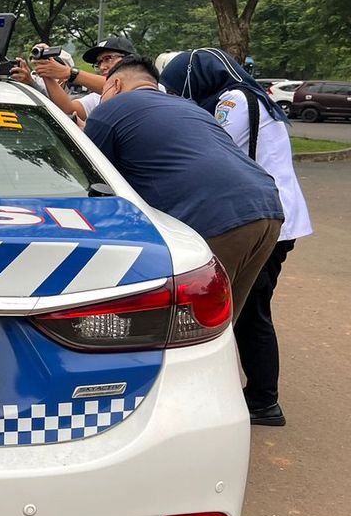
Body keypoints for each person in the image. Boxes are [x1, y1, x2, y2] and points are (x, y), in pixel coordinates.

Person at [161, 48, 313, 427]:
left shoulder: (231, 101)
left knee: (250, 313)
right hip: (277, 215)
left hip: (257, 214)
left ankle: (263, 400)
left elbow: (210, 148)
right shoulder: (253, 96)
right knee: (251, 310)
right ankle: (259, 394)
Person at [84, 55, 284, 321]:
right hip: (266, 209)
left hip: (215, 216)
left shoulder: (110, 109)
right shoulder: (190, 107)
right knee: (221, 324)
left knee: (188, 327)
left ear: (116, 84)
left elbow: (90, 178)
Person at [16, 36, 138, 123]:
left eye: (108, 58)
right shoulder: (96, 98)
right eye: (98, 62)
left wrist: (69, 73)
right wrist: (46, 72)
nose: (102, 67)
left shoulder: (150, 88)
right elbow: (68, 109)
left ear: (129, 60)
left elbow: (122, 87)